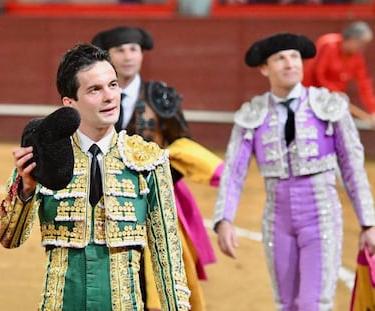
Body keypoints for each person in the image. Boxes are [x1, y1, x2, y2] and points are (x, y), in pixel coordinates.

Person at [0, 43, 190, 311]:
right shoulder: (44, 155)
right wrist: (25, 189)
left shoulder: (148, 160)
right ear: (69, 104)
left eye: (112, 85)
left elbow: (168, 254)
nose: (110, 97)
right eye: (95, 90)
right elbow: (7, 237)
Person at [213, 32, 375, 311]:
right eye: (280, 58)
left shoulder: (328, 106)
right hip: (277, 219)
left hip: (321, 216)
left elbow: (351, 166)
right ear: (265, 68)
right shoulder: (253, 113)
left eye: (294, 57)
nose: (289, 64)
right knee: (286, 304)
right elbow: (234, 171)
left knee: (313, 303)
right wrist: (224, 219)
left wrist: (368, 222)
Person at [91, 26, 223, 311]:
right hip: (106, 201)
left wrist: (160, 179)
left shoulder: (160, 96)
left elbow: (183, 146)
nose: (128, 57)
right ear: (109, 58)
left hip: (153, 200)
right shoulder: (94, 97)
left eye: (133, 50)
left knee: (160, 271)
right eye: (120, 51)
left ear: (141, 54)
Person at [303, 21, 375, 125]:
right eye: (361, 44)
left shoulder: (357, 57)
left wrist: (373, 110)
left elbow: (364, 83)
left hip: (333, 101)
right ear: (352, 39)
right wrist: (336, 93)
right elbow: (318, 75)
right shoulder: (328, 44)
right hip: (311, 95)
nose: (362, 48)